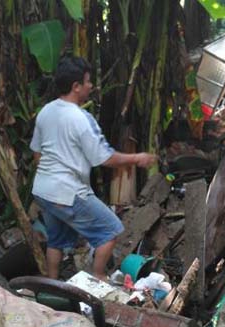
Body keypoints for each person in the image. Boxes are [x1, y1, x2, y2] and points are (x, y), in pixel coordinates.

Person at [27, 56, 156, 280]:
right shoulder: (81, 118)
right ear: (76, 87)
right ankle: (98, 279)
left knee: (56, 241)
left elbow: (37, 155)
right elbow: (104, 158)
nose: (91, 86)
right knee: (110, 230)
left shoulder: (45, 112)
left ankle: (51, 287)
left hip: (43, 190)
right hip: (67, 191)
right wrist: (137, 158)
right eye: (87, 82)